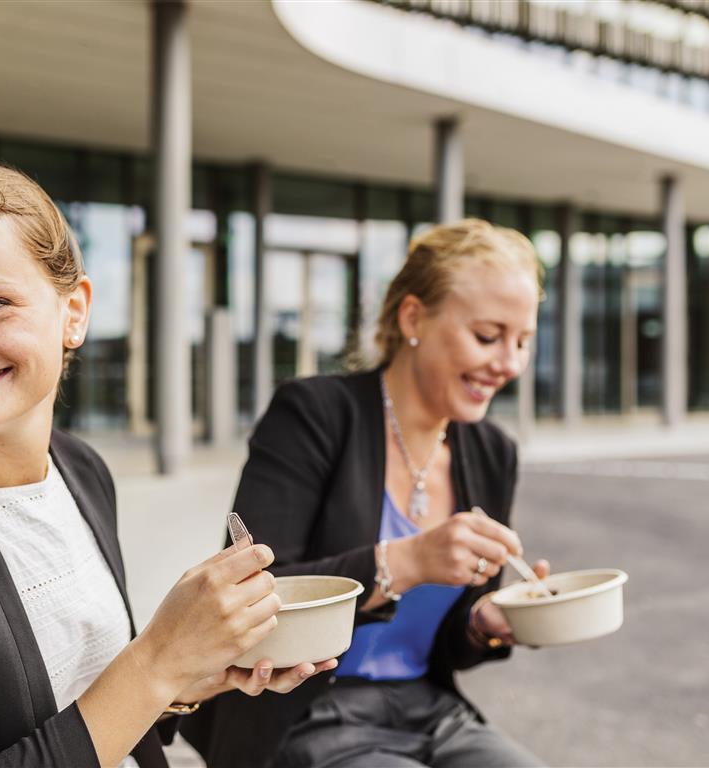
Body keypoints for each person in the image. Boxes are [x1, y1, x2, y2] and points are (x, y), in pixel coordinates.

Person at [0, 150, 336, 768]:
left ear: (74, 313)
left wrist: (188, 677)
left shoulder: (80, 469)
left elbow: (79, 702)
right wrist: (155, 662)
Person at [181, 219, 549, 768]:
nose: (508, 363)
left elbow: (447, 643)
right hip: (305, 713)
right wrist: (407, 561)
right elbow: (255, 597)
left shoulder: (493, 451)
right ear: (413, 317)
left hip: (429, 710)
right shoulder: (313, 415)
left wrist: (484, 622)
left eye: (522, 341)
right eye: (488, 336)